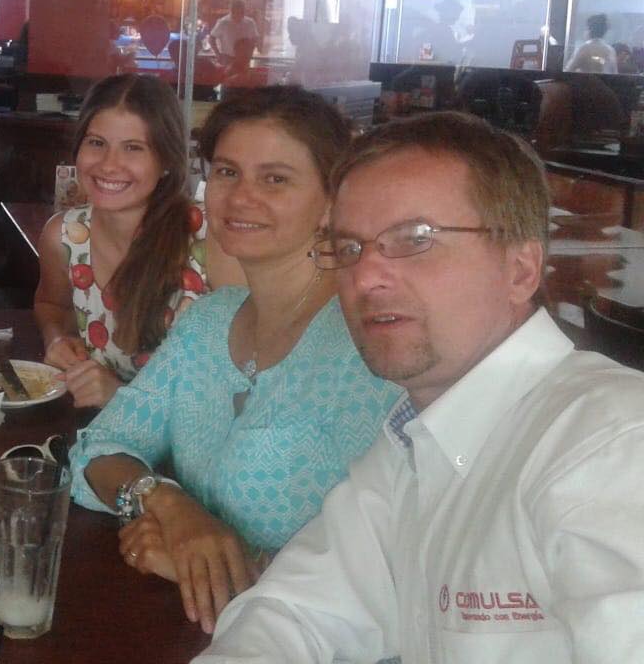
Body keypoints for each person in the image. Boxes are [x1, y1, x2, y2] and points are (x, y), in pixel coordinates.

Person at [196, 111, 644, 663]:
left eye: (415, 239)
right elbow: (295, 611)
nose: (365, 277)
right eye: (349, 248)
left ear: (521, 270)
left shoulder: (611, 445)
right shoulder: (411, 446)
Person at [68, 85, 403, 634]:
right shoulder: (208, 321)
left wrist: (229, 564)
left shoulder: (374, 350)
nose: (241, 197)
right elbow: (98, 449)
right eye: (227, 172)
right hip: (185, 632)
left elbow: (396, 570)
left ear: (331, 201)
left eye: (275, 179)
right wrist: (168, 506)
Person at [35, 74, 244, 408]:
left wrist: (121, 397)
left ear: (166, 161)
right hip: (98, 431)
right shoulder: (64, 237)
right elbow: (51, 305)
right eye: (96, 143)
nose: (109, 164)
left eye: (133, 148)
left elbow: (243, 391)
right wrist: (57, 338)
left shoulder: (214, 241)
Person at [207, 0, 259, 78]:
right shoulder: (223, 22)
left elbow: (255, 39)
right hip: (228, 58)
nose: (239, 15)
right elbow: (211, 38)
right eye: (237, 12)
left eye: (242, 12)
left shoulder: (250, 22)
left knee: (244, 81)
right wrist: (217, 54)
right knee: (226, 80)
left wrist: (250, 54)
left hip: (244, 59)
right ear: (231, 11)